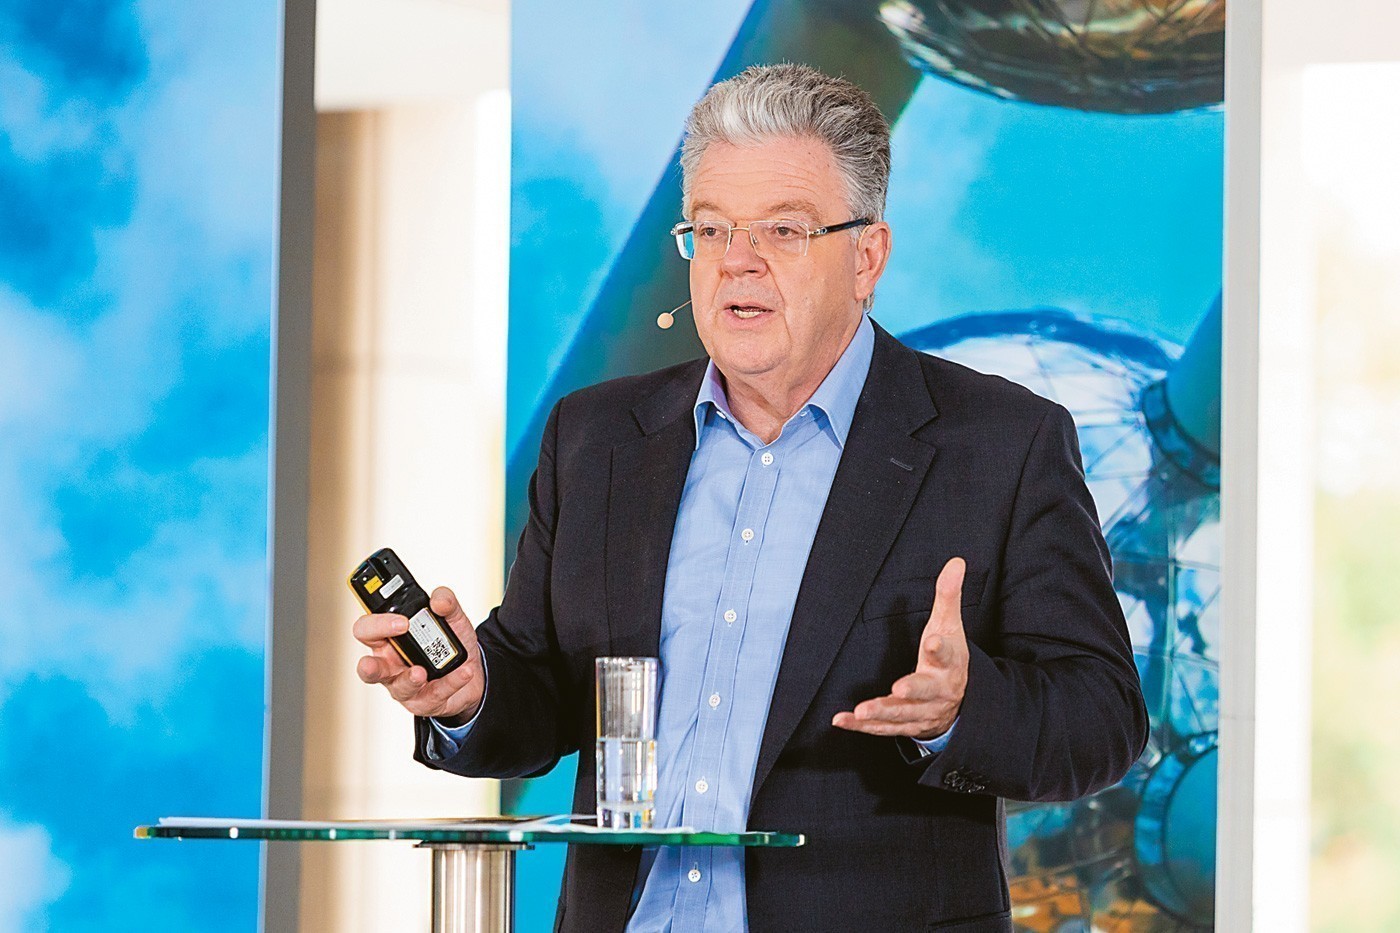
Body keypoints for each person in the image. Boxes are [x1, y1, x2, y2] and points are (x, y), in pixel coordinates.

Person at [353, 63, 1148, 933]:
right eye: (711, 227)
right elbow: (539, 690)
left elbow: (1103, 716)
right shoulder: (597, 438)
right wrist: (469, 693)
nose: (738, 259)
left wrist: (962, 710)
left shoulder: (1002, 443)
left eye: (783, 228)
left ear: (867, 257)